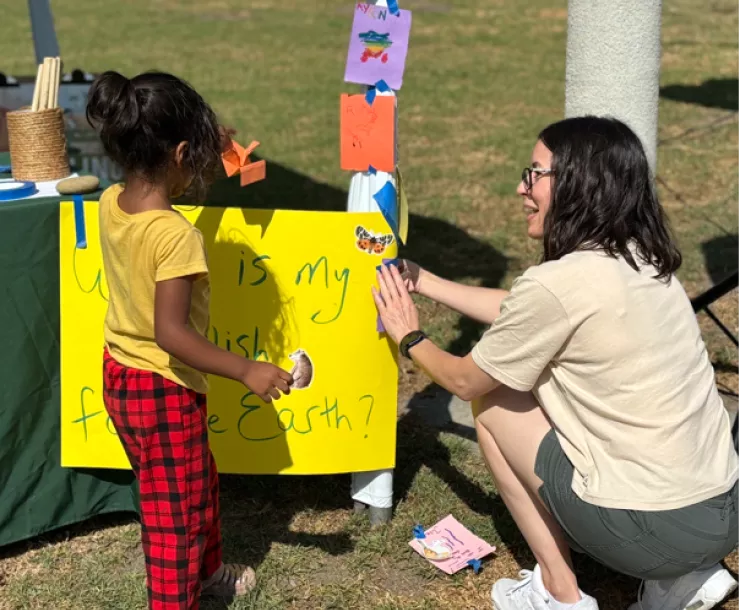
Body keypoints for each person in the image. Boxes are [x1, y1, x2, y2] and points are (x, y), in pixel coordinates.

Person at [373, 116, 740, 610]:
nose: (521, 188)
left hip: (655, 528)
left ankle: (558, 592)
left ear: (578, 184)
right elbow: (522, 309)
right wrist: (426, 281)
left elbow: (462, 380)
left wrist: (407, 333)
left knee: (493, 398)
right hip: (724, 516)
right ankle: (685, 578)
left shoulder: (560, 285)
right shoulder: (644, 260)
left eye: (534, 174)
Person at [86, 70, 294, 609]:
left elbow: (176, 153)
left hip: (121, 375)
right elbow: (171, 333)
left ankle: (209, 573)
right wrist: (248, 370)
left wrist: (216, 141)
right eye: (195, 155)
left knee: (193, 484)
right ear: (180, 153)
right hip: (162, 390)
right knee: (173, 517)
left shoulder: (113, 200)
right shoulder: (175, 235)